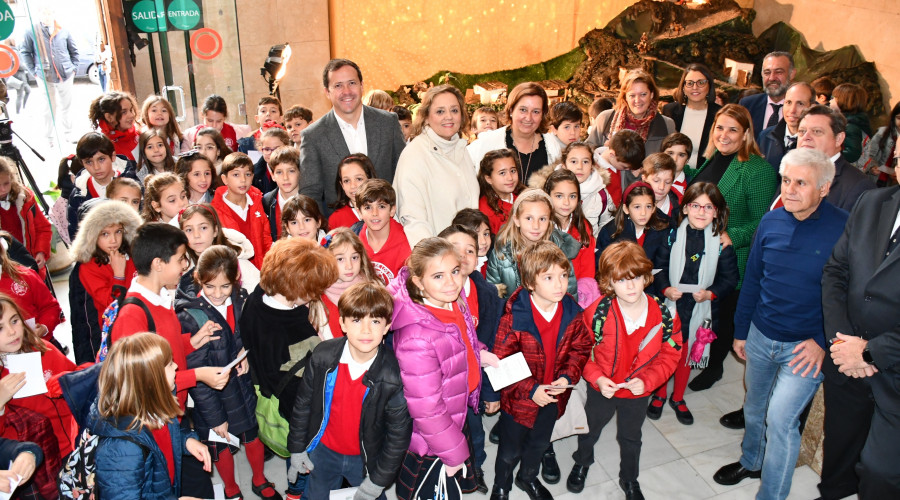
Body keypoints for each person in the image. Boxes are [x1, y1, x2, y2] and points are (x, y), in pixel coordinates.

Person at [712, 149, 847, 499]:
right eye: (786, 181)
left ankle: (770, 495)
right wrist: (741, 331)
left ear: (824, 188)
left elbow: (850, 293)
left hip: (805, 349)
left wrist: (822, 341)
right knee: (754, 409)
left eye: (801, 183)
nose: (789, 190)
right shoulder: (771, 222)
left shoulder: (844, 228)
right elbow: (754, 279)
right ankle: (751, 461)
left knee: (781, 420)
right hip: (760, 335)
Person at [567, 241, 682, 500]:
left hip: (638, 391)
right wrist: (596, 377)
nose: (630, 286)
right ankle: (582, 461)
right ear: (609, 282)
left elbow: (671, 353)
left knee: (631, 437)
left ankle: (629, 478)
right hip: (602, 388)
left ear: (646, 276)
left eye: (636, 277)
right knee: (589, 428)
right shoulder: (597, 313)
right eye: (621, 280)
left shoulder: (665, 315)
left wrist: (649, 381)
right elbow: (581, 352)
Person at [388, 237, 498, 500]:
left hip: (455, 410)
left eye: (455, 271)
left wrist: (478, 353)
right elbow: (427, 409)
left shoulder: (450, 300)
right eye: (438, 276)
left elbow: (461, 338)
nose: (451, 282)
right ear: (417, 281)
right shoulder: (416, 337)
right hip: (433, 437)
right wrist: (451, 453)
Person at [819, 143, 900, 499]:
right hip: (846, 359)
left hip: (893, 372)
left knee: (881, 474)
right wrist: (843, 344)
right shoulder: (873, 201)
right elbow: (836, 271)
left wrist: (869, 352)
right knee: (838, 457)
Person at [287, 282, 412, 500]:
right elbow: (303, 405)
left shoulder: (394, 375)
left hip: (365, 459)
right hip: (323, 452)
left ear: (386, 327)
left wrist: (378, 482)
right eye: (356, 320)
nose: (366, 330)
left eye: (375, 321)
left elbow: (398, 436)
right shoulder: (322, 356)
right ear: (342, 323)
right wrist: (297, 448)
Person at [684, 104, 777, 391]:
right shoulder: (713, 158)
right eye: (719, 128)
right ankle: (699, 356)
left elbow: (764, 221)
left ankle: (714, 368)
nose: (724, 135)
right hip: (700, 252)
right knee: (703, 310)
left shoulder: (757, 169)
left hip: (730, 258)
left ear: (746, 133)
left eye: (732, 129)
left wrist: (733, 236)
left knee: (722, 317)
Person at [176, 245, 280, 499]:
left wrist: (246, 352)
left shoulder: (242, 299)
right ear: (199, 279)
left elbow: (250, 336)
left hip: (241, 387)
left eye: (225, 286)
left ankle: (259, 479)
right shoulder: (191, 315)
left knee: (253, 436)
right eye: (210, 286)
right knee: (219, 445)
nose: (218, 294)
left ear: (236, 280)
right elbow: (196, 373)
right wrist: (214, 419)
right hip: (211, 396)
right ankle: (231, 490)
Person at [490, 241, 592, 500]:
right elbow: (502, 363)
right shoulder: (514, 318)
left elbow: (581, 348)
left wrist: (567, 376)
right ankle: (502, 486)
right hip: (520, 401)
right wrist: (531, 389)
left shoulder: (572, 313)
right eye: (549, 277)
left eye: (563, 275)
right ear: (531, 283)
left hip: (553, 397)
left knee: (539, 444)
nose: (559, 284)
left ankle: (527, 478)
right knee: (509, 451)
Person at [241, 238, 338, 500]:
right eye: (313, 288)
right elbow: (296, 393)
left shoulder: (258, 295)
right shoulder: (291, 329)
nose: (317, 294)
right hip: (295, 416)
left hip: (265, 388)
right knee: (304, 471)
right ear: (297, 287)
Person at [651, 183, 738, 423]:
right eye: (696, 205)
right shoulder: (672, 235)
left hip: (699, 308)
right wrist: (666, 288)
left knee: (687, 353)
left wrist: (711, 294)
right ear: (686, 208)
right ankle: (659, 394)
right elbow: (658, 267)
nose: (701, 212)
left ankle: (678, 396)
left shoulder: (721, 243)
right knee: (665, 351)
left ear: (717, 212)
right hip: (672, 305)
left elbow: (731, 279)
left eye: (708, 207)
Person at [91, 333, 212, 498]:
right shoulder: (121, 450)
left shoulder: (155, 408)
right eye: (169, 364)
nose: (176, 366)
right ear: (151, 380)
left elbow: (161, 442)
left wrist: (186, 441)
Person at [438, 224, 504, 492]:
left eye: (470, 250)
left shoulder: (487, 295)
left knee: (475, 433)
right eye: (455, 250)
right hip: (440, 386)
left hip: (471, 385)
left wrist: (490, 393)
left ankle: (474, 471)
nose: (463, 257)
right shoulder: (432, 294)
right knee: (441, 434)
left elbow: (493, 350)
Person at [299, 59, 406, 215]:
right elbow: (310, 193)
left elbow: (404, 175)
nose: (346, 91)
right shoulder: (313, 136)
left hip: (390, 225)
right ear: (327, 92)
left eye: (352, 83)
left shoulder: (388, 123)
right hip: (342, 231)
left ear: (362, 86)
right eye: (338, 86)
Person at [394, 85, 479, 245]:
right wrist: (436, 260)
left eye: (454, 110)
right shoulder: (415, 155)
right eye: (440, 111)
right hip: (438, 259)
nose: (449, 117)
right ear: (426, 116)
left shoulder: (460, 149)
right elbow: (413, 220)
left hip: (466, 255)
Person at [0, 293, 77, 460]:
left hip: (74, 444)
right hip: (38, 461)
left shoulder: (43, 349)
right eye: (0, 328)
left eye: (14, 321)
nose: (12, 332)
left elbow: (79, 379)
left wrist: (69, 380)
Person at [68, 200, 141, 363]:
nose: (114, 240)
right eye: (105, 234)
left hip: (139, 324)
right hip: (113, 337)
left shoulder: (131, 255)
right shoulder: (88, 266)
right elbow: (111, 306)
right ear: (93, 235)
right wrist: (119, 275)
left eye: (118, 232)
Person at [487, 188, 580, 299]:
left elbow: (570, 295)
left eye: (542, 219)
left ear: (550, 221)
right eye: (529, 218)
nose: (536, 226)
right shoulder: (501, 253)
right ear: (517, 220)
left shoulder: (560, 250)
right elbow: (492, 296)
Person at [468, 82, 562, 184]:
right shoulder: (487, 142)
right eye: (523, 110)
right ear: (511, 110)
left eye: (536, 111)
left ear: (542, 115)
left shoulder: (553, 147)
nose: (528, 118)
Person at [787, 105, 873, 212]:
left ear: (838, 139)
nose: (806, 137)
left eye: (817, 131)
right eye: (802, 131)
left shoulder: (859, 186)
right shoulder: (790, 173)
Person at [20, 5, 79, 147]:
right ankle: (49, 137)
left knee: (67, 106)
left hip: (65, 73)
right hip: (45, 75)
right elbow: (25, 52)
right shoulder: (32, 31)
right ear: (39, 14)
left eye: (49, 13)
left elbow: (74, 50)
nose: (47, 16)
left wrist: (74, 68)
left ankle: (68, 133)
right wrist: (34, 71)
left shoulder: (63, 30)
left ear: (54, 14)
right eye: (44, 13)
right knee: (49, 107)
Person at [67, 132, 140, 242]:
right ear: (82, 163)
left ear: (113, 156)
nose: (96, 167)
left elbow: (144, 220)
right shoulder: (79, 194)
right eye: (89, 162)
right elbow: (76, 234)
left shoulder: (131, 184)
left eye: (101, 159)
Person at [587, 69, 676, 156]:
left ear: (651, 94)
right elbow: (587, 150)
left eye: (643, 94)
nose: (637, 100)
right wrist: (601, 152)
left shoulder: (666, 124)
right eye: (632, 95)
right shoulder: (605, 118)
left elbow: (672, 159)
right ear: (625, 96)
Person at [179, 203, 260, 296]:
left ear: (215, 231)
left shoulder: (239, 264)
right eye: (189, 230)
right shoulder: (180, 267)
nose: (196, 235)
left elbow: (258, 298)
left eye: (203, 228)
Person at [212, 152, 273, 269]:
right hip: (235, 271)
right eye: (236, 175)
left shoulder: (259, 201)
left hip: (262, 269)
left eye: (248, 174)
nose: (243, 180)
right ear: (225, 179)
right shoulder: (215, 211)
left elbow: (266, 238)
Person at [318, 227, 380, 338]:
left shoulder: (374, 289)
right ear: (326, 260)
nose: (349, 266)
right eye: (340, 259)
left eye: (354, 257)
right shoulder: (316, 299)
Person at [662, 63, 722, 169]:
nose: (695, 87)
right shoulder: (670, 111)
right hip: (671, 174)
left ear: (709, 86)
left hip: (703, 177)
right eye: (689, 83)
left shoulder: (719, 114)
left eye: (701, 83)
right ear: (683, 87)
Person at [354, 179, 411, 284]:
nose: (375, 213)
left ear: (392, 210)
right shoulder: (354, 243)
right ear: (359, 212)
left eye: (381, 206)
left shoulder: (408, 243)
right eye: (368, 207)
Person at [0, 157, 52, 271]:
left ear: (12, 178)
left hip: (31, 265)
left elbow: (43, 228)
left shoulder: (25, 198)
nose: (3, 189)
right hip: (5, 272)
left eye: (6, 183)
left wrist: (41, 251)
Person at [757, 82, 815, 175]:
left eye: (800, 104)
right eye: (788, 102)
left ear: (812, 107)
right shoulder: (765, 137)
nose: (792, 110)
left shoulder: (814, 144)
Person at [739, 51, 796, 139]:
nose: (772, 78)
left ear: (792, 74)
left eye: (779, 72)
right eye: (767, 72)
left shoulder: (806, 110)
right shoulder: (747, 105)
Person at [478, 148, 526, 234]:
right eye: (502, 173)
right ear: (488, 179)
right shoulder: (484, 210)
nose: (510, 178)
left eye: (513, 171)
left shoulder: (525, 197)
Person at [592, 129, 646, 205]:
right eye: (624, 167)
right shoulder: (593, 170)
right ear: (612, 155)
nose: (627, 170)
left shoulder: (617, 161)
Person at [262, 146, 302, 240]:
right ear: (272, 176)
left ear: (300, 173)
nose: (285, 177)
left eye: (291, 171)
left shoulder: (312, 198)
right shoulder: (267, 200)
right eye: (279, 172)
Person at [327, 154, 376, 230]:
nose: (353, 186)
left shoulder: (382, 210)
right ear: (342, 185)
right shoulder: (335, 220)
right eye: (346, 181)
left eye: (359, 179)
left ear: (369, 179)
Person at [88, 91, 141, 161]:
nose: (131, 115)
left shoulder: (138, 134)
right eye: (124, 112)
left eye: (131, 110)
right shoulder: (105, 146)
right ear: (109, 117)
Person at [830, 83, 873, 164]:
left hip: (847, 170)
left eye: (833, 98)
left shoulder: (850, 126)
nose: (830, 100)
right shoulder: (853, 122)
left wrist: (832, 155)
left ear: (844, 101)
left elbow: (852, 154)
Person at [861, 101, 900, 183]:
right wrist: (872, 167)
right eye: (899, 118)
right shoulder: (882, 133)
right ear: (893, 118)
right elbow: (869, 154)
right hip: (876, 179)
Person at [640, 153, 679, 228]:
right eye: (656, 180)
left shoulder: (679, 207)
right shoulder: (632, 203)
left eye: (667, 182)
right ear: (644, 178)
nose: (661, 187)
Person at [253, 127, 292, 195]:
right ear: (261, 149)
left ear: (287, 147)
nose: (272, 153)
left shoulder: (296, 168)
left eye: (277, 149)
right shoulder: (253, 172)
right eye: (267, 149)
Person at [661, 133, 692, 199]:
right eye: (670, 153)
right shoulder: (650, 180)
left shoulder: (692, 185)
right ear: (661, 155)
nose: (674, 159)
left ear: (687, 160)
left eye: (681, 155)